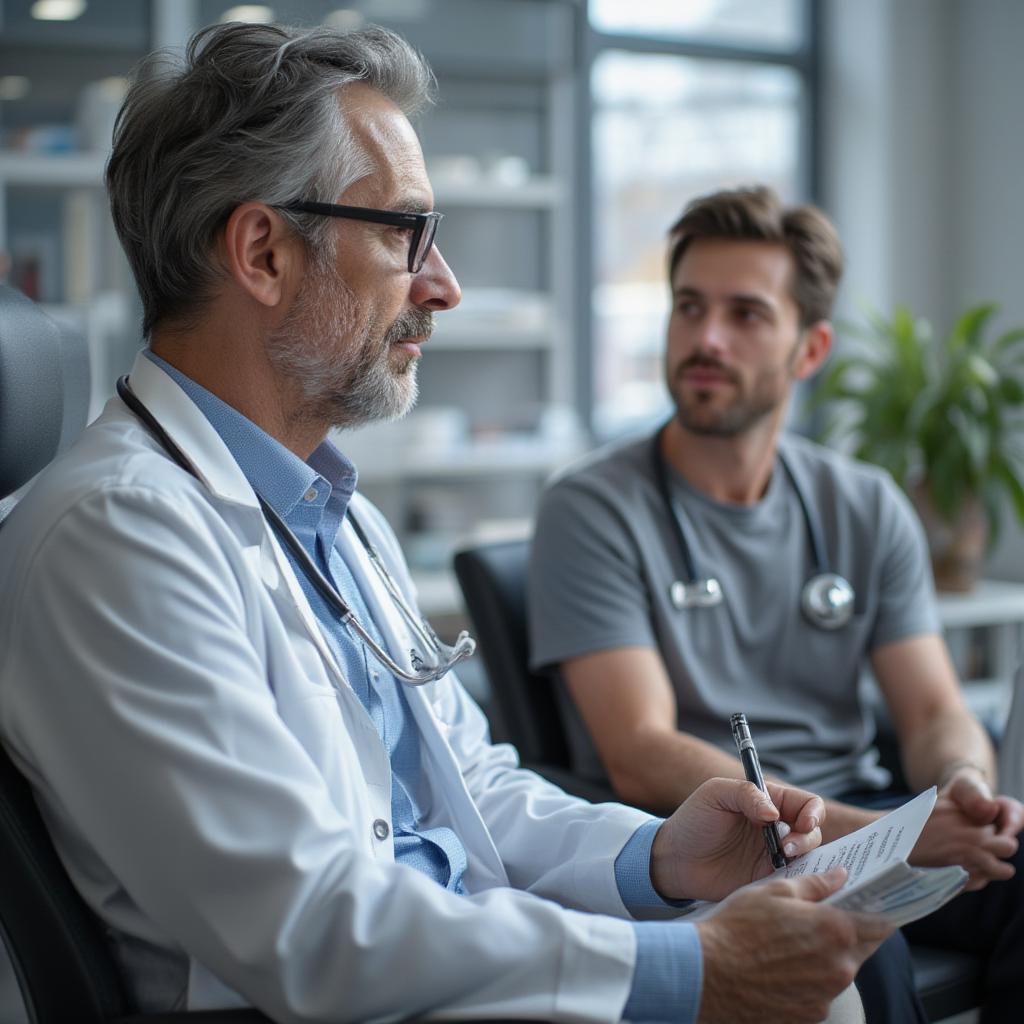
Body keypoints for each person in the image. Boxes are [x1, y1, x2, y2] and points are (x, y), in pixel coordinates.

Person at [0, 25, 887, 1024]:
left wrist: (656, 857)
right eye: (403, 234)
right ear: (262, 252)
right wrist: (687, 970)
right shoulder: (115, 536)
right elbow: (311, 925)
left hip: (439, 970)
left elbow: (471, 787)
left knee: (828, 977)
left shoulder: (330, 513)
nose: (444, 285)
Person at [527, 184, 1024, 1022]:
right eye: (689, 308)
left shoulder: (863, 505)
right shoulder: (592, 509)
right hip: (721, 852)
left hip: (863, 824)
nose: (705, 338)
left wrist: (965, 789)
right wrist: (884, 835)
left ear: (811, 347)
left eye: (746, 314)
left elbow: (935, 707)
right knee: (854, 938)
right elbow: (640, 753)